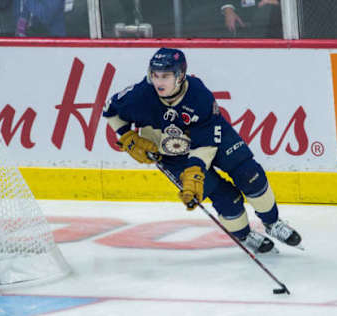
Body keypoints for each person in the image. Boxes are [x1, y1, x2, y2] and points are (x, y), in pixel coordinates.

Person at [103, 47, 302, 254]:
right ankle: (244, 235)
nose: (158, 82)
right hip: (170, 153)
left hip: (211, 138)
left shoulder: (199, 95)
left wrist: (195, 170)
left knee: (249, 174)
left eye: (165, 76)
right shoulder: (140, 94)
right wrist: (127, 135)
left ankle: (272, 222)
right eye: (155, 75)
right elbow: (109, 110)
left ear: (180, 76)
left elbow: (205, 143)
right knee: (225, 199)